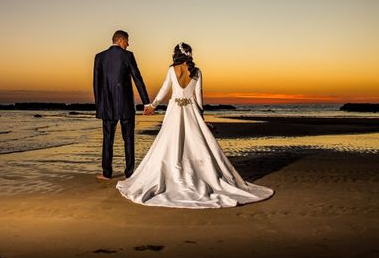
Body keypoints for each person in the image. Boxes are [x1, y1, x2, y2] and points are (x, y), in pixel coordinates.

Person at [116, 42, 274, 208]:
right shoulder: (196, 71)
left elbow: (164, 90)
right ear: (189, 54)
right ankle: (198, 172)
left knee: (170, 142)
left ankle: (174, 172)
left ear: (176, 54)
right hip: (191, 111)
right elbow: (199, 97)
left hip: (175, 111)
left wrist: (152, 106)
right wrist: (201, 117)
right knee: (195, 142)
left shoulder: (172, 70)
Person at [93, 30, 152, 180]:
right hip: (125, 105)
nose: (128, 44)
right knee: (129, 139)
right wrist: (146, 102)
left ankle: (107, 173)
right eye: (127, 41)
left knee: (107, 139)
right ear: (120, 40)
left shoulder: (99, 57)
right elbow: (137, 79)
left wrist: (100, 106)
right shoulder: (127, 56)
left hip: (107, 106)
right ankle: (130, 173)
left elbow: (96, 84)